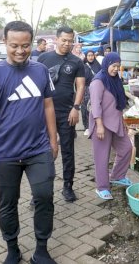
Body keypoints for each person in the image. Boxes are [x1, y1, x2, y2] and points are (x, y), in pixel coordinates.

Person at [0, 21, 58, 264]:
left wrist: (54, 140)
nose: (20, 50)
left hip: (38, 149)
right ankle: (12, 248)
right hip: (6, 153)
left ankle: (41, 249)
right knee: (8, 203)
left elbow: (48, 105)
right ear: (4, 43)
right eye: (14, 45)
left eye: (25, 45)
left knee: (44, 196)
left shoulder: (40, 70)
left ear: (31, 43)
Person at [38, 26, 85, 202]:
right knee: (42, 152)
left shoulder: (77, 61)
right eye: (64, 40)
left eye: (70, 40)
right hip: (44, 113)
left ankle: (68, 187)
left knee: (68, 152)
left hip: (67, 113)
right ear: (56, 39)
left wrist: (76, 107)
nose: (67, 43)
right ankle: (41, 191)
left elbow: (80, 86)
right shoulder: (43, 58)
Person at [88, 52, 132, 200]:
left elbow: (118, 104)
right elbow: (95, 105)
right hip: (102, 124)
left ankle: (117, 176)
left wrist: (123, 121)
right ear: (106, 64)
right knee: (102, 156)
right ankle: (102, 187)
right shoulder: (98, 82)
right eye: (113, 66)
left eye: (118, 67)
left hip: (116, 122)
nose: (115, 69)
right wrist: (99, 125)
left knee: (126, 148)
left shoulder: (115, 80)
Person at [82, 50, 101, 136]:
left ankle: (96, 125)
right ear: (86, 57)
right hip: (86, 89)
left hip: (96, 89)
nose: (90, 57)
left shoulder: (98, 65)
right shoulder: (83, 66)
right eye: (89, 55)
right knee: (86, 108)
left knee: (96, 107)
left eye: (92, 55)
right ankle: (87, 127)